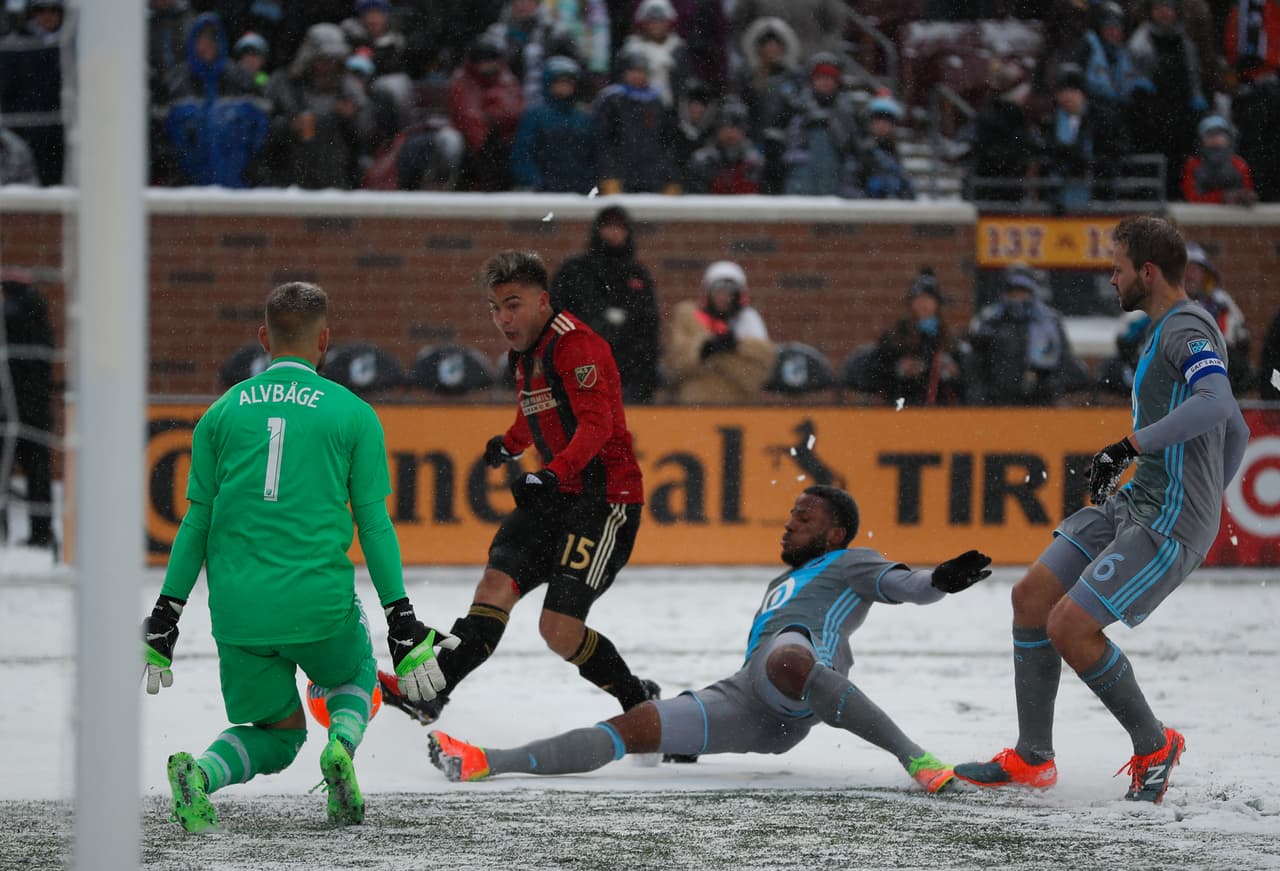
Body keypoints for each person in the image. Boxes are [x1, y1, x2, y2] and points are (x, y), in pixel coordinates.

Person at [954, 216, 1251, 804]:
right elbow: (1238, 424)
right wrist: (1198, 486)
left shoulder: (1186, 326)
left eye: (1116, 269)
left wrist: (1148, 462)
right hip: (1136, 502)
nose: (1109, 280)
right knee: (1032, 598)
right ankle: (1033, 758)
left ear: (1147, 271)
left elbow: (1217, 403)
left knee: (1069, 625)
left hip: (1164, 519)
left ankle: (1154, 744)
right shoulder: (1165, 327)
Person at [425, 485, 992, 792]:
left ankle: (916, 759)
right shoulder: (780, 580)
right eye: (791, 513)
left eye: (803, 517)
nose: (789, 523)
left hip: (796, 674)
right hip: (751, 699)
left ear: (835, 533)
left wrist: (939, 581)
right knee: (633, 726)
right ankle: (485, 761)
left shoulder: (852, 561)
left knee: (788, 652)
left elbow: (907, 585)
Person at [140, 281, 454, 832]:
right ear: (325, 341)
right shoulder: (353, 414)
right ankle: (340, 747)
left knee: (277, 734)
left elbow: (195, 524)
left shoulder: (219, 414)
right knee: (355, 677)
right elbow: (375, 527)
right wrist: (400, 621)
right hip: (318, 601)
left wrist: (166, 617)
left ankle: (203, 773)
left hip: (237, 608)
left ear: (263, 338)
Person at [379, 250, 656, 724]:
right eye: (494, 308)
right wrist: (510, 444)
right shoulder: (523, 355)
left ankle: (641, 704)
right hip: (558, 496)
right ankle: (432, 693)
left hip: (603, 501)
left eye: (513, 305)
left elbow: (598, 426)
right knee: (494, 585)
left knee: (559, 630)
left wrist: (550, 472)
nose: (503, 318)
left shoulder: (577, 346)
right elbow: (538, 408)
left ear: (543, 301)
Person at [549, 205, 661, 403]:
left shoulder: (637, 276)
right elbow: (556, 316)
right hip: (580, 370)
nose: (614, 233)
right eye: (608, 226)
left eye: (620, 227)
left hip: (628, 376)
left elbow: (649, 329)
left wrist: (643, 373)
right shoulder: (575, 272)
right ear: (597, 230)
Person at [966, 263, 1088, 406]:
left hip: (1041, 405)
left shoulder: (1049, 322)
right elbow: (975, 368)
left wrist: (1048, 385)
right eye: (1012, 291)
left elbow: (1066, 365)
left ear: (1032, 292)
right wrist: (983, 397)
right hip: (998, 406)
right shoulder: (990, 323)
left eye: (1023, 291)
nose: (1017, 297)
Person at [663, 260, 777, 404]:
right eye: (719, 290)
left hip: (738, 407)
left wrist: (732, 347)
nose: (724, 297)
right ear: (708, 292)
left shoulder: (749, 321)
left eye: (731, 291)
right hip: (694, 406)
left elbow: (757, 375)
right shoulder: (689, 318)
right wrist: (705, 349)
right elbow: (674, 367)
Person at [1, 276, 55, 549]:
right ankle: (42, 531)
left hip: (13, 406)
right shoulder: (39, 315)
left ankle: (35, 531)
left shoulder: (15, 313)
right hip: (36, 406)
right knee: (38, 472)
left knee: (27, 470)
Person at [867, 268, 963, 407]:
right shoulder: (894, 337)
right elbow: (876, 373)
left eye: (929, 299)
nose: (924, 305)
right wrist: (899, 369)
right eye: (919, 299)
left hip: (941, 408)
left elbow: (967, 380)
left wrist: (952, 372)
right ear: (911, 304)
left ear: (937, 305)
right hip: (902, 404)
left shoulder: (949, 338)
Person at [1180, 115, 1257, 205]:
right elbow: (1191, 197)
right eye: (1209, 134)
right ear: (1201, 139)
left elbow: (1247, 193)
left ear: (1229, 138)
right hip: (1202, 215)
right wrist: (1222, 197)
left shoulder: (1239, 164)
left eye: (1219, 134)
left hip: (1235, 216)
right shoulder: (1192, 164)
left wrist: (1242, 197)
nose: (1215, 139)